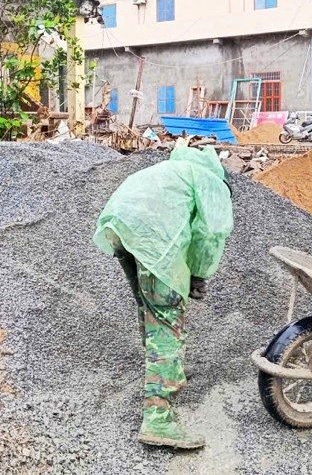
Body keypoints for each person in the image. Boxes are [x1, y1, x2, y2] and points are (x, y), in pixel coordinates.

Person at [92, 143, 234, 448]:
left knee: (150, 308)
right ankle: (158, 419)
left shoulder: (173, 170)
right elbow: (210, 234)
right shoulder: (209, 181)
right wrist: (199, 274)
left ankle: (164, 369)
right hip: (154, 237)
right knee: (167, 320)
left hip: (120, 228)